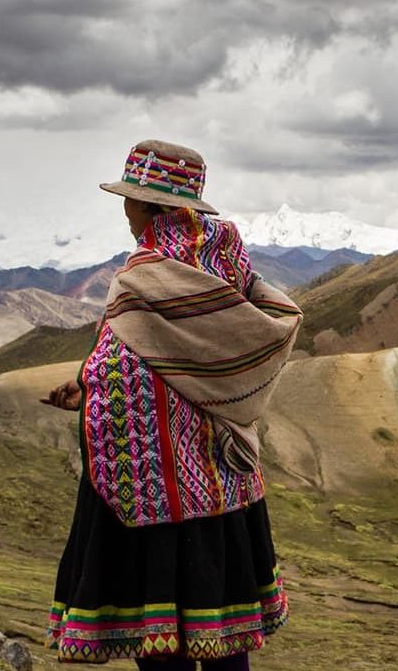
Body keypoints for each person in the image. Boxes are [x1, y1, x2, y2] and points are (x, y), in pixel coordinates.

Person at [40, 139, 300, 670]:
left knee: (162, 644)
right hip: (227, 481)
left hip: (156, 491)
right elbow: (215, 352)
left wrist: (93, 390)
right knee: (227, 639)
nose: (125, 210)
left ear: (149, 204)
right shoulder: (226, 255)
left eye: (129, 199)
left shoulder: (147, 274)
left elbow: (126, 370)